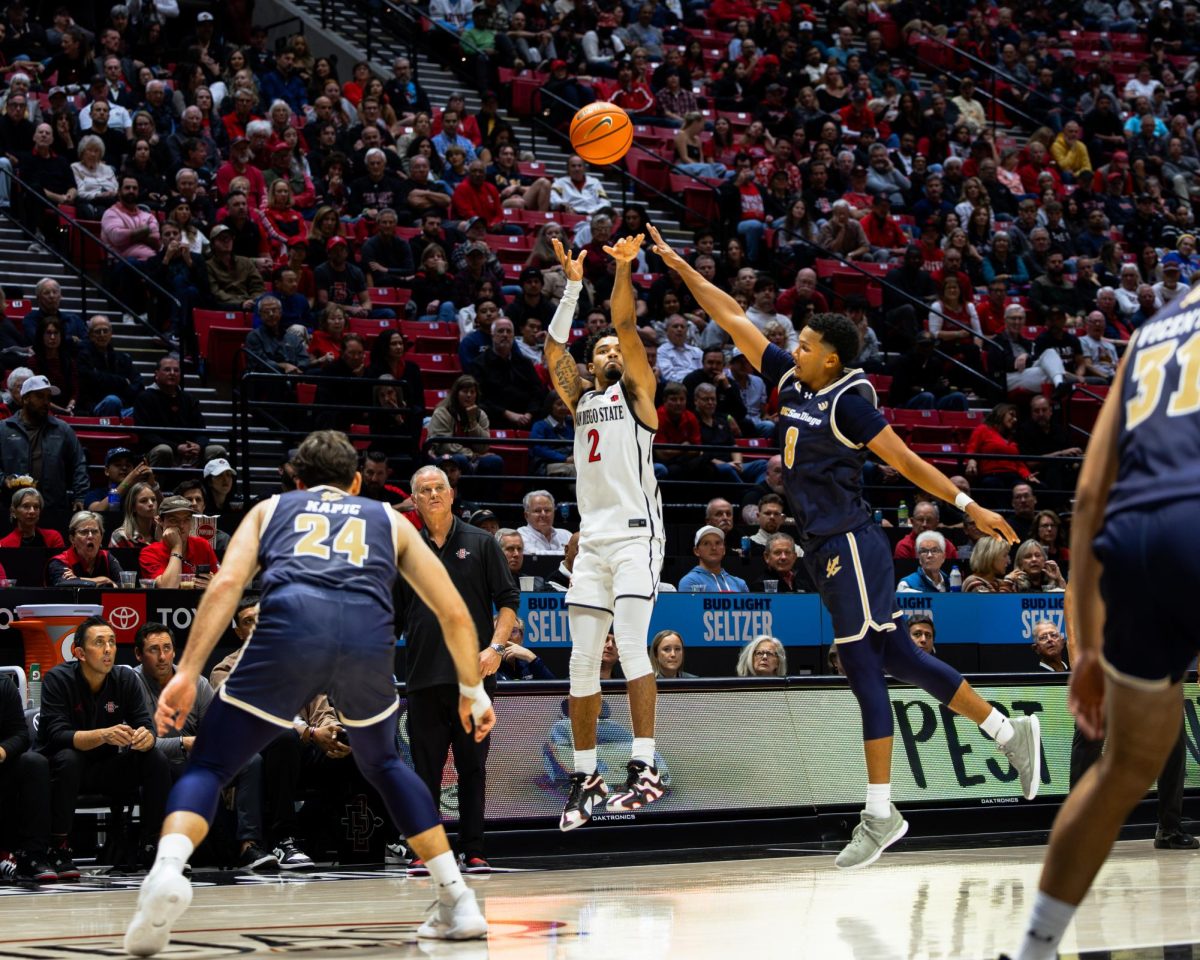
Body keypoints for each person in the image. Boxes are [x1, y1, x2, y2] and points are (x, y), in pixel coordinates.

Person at [648, 223, 1040, 870]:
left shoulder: (848, 401)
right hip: (828, 548)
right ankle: (1006, 731)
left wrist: (968, 507)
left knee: (862, 668)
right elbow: (732, 316)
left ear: (831, 356)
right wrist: (678, 266)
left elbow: (908, 460)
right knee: (892, 655)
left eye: (802, 344)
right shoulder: (795, 383)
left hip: (853, 543)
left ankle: (880, 814)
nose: (789, 348)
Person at [124, 432, 495, 956]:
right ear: (359, 481)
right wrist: (472, 689)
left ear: (296, 480)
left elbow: (227, 586)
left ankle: (165, 873)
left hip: (289, 631)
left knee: (209, 765)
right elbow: (454, 612)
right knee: (386, 764)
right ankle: (457, 899)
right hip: (366, 641)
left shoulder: (271, 508)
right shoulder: (388, 519)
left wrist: (187, 671)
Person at [1004, 281, 1200, 959]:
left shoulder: (1151, 334)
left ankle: (1033, 949)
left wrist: (1085, 646)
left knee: (1125, 766)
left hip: (1136, 541)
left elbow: (1088, 493)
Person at [541, 234, 667, 830]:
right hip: (592, 541)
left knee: (635, 646)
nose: (615, 351)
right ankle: (585, 775)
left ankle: (644, 767)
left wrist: (620, 270)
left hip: (637, 536)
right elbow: (550, 350)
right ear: (592, 364)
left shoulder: (640, 397)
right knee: (581, 661)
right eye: (605, 350)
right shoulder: (580, 399)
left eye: (619, 349)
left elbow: (628, 327)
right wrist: (571, 286)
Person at [399, 465, 517, 874]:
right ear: (414, 501)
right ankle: (426, 852)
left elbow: (507, 602)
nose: (432, 495)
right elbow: (390, 616)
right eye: (424, 490)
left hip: (474, 679)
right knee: (424, 773)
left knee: (472, 769)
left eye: (439, 488)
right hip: (422, 678)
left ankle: (474, 850)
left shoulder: (482, 543)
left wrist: (497, 647)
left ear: (451, 496)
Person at [39, 616, 170, 878]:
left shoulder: (125, 678)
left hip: (107, 770)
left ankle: (152, 843)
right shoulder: (57, 679)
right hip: (63, 771)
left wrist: (146, 737)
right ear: (80, 652)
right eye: (99, 643)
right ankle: (59, 846)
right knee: (69, 758)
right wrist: (102, 735)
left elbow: (145, 723)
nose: (108, 649)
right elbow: (57, 735)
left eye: (111, 642)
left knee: (154, 756)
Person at [0, 375, 88, 514]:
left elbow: (79, 463)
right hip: (13, 508)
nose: (46, 402)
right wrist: (3, 481)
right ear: (25, 399)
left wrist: (80, 497)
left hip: (53, 507)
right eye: (40, 396)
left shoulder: (62, 429)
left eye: (48, 397)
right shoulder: (4, 429)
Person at [0, 670, 55, 882]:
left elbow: (20, 734)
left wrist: (3, 750)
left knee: (34, 763)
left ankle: (33, 857)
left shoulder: (3, 685)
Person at [138, 495, 220, 589]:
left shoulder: (202, 545)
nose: (181, 526)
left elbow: (222, 584)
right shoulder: (149, 553)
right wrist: (177, 547)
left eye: (186, 520)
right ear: (160, 521)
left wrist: (212, 584)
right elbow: (168, 588)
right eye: (174, 520)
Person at [47, 511, 124, 587]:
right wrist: (105, 580)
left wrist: (78, 579)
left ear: (101, 537)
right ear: (72, 539)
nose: (90, 536)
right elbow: (65, 583)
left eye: (94, 532)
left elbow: (124, 584)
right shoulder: (60, 561)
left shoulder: (106, 557)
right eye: (84, 532)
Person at [678, 524, 750, 592]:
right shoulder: (690, 581)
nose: (714, 548)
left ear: (724, 550)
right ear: (696, 551)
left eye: (718, 543)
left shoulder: (739, 584)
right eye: (706, 543)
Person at [0, 487, 64, 548]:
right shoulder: (4, 544)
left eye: (36, 507)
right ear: (13, 512)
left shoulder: (53, 538)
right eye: (26, 506)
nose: (32, 511)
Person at [517, 489, 571, 555]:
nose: (543, 514)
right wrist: (567, 553)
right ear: (526, 515)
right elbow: (532, 554)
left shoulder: (566, 535)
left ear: (554, 513)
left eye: (547, 510)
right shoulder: (521, 534)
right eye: (537, 511)